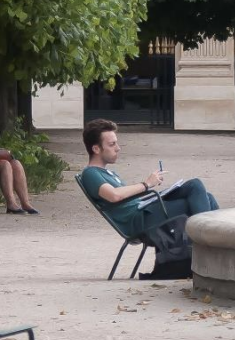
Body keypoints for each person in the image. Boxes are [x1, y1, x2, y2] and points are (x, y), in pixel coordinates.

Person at [80, 119, 216, 280]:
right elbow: (114, 195)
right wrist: (147, 184)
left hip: (145, 209)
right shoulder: (90, 173)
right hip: (140, 220)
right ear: (96, 148)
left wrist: (153, 187)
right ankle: (210, 246)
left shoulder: (108, 173)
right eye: (112, 144)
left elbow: (125, 195)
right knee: (195, 185)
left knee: (207, 196)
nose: (118, 148)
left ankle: (209, 246)